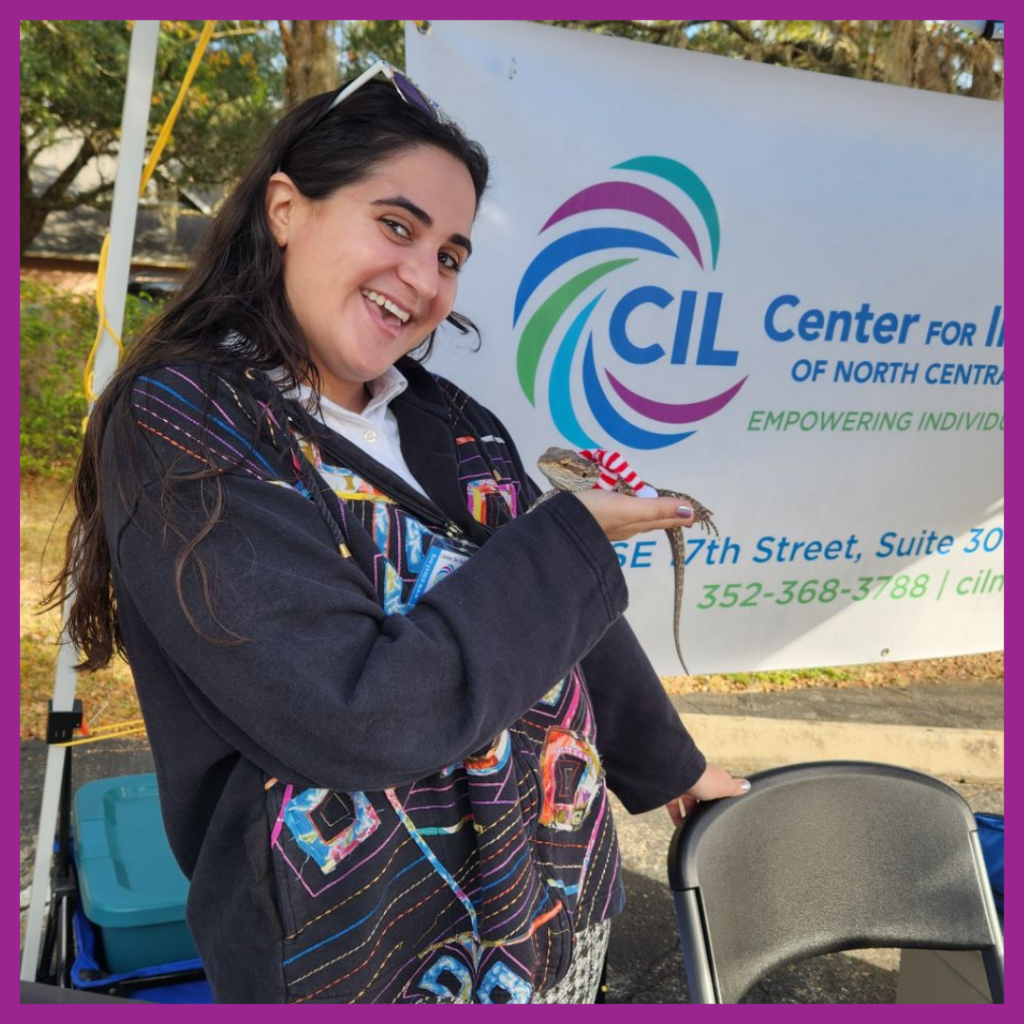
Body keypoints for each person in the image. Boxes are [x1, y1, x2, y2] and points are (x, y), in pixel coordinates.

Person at [58, 64, 748, 1004]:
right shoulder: (182, 424)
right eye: (396, 226)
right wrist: (571, 538)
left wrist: (673, 761)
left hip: (541, 906)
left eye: (453, 254)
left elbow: (561, 613)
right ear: (287, 209)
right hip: (351, 949)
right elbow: (352, 710)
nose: (423, 279)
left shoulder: (457, 425)